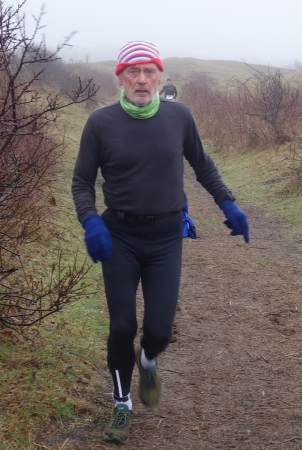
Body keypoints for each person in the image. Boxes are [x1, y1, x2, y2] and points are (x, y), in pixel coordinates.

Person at [71, 40, 249, 444]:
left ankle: (148, 358)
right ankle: (121, 404)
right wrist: (91, 221)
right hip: (119, 236)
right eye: (132, 72)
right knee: (122, 325)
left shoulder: (179, 117)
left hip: (166, 237)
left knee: (159, 331)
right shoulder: (101, 123)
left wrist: (228, 203)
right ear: (120, 78)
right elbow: (81, 181)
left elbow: (203, 165)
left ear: (160, 77)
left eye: (149, 71)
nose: (141, 79)